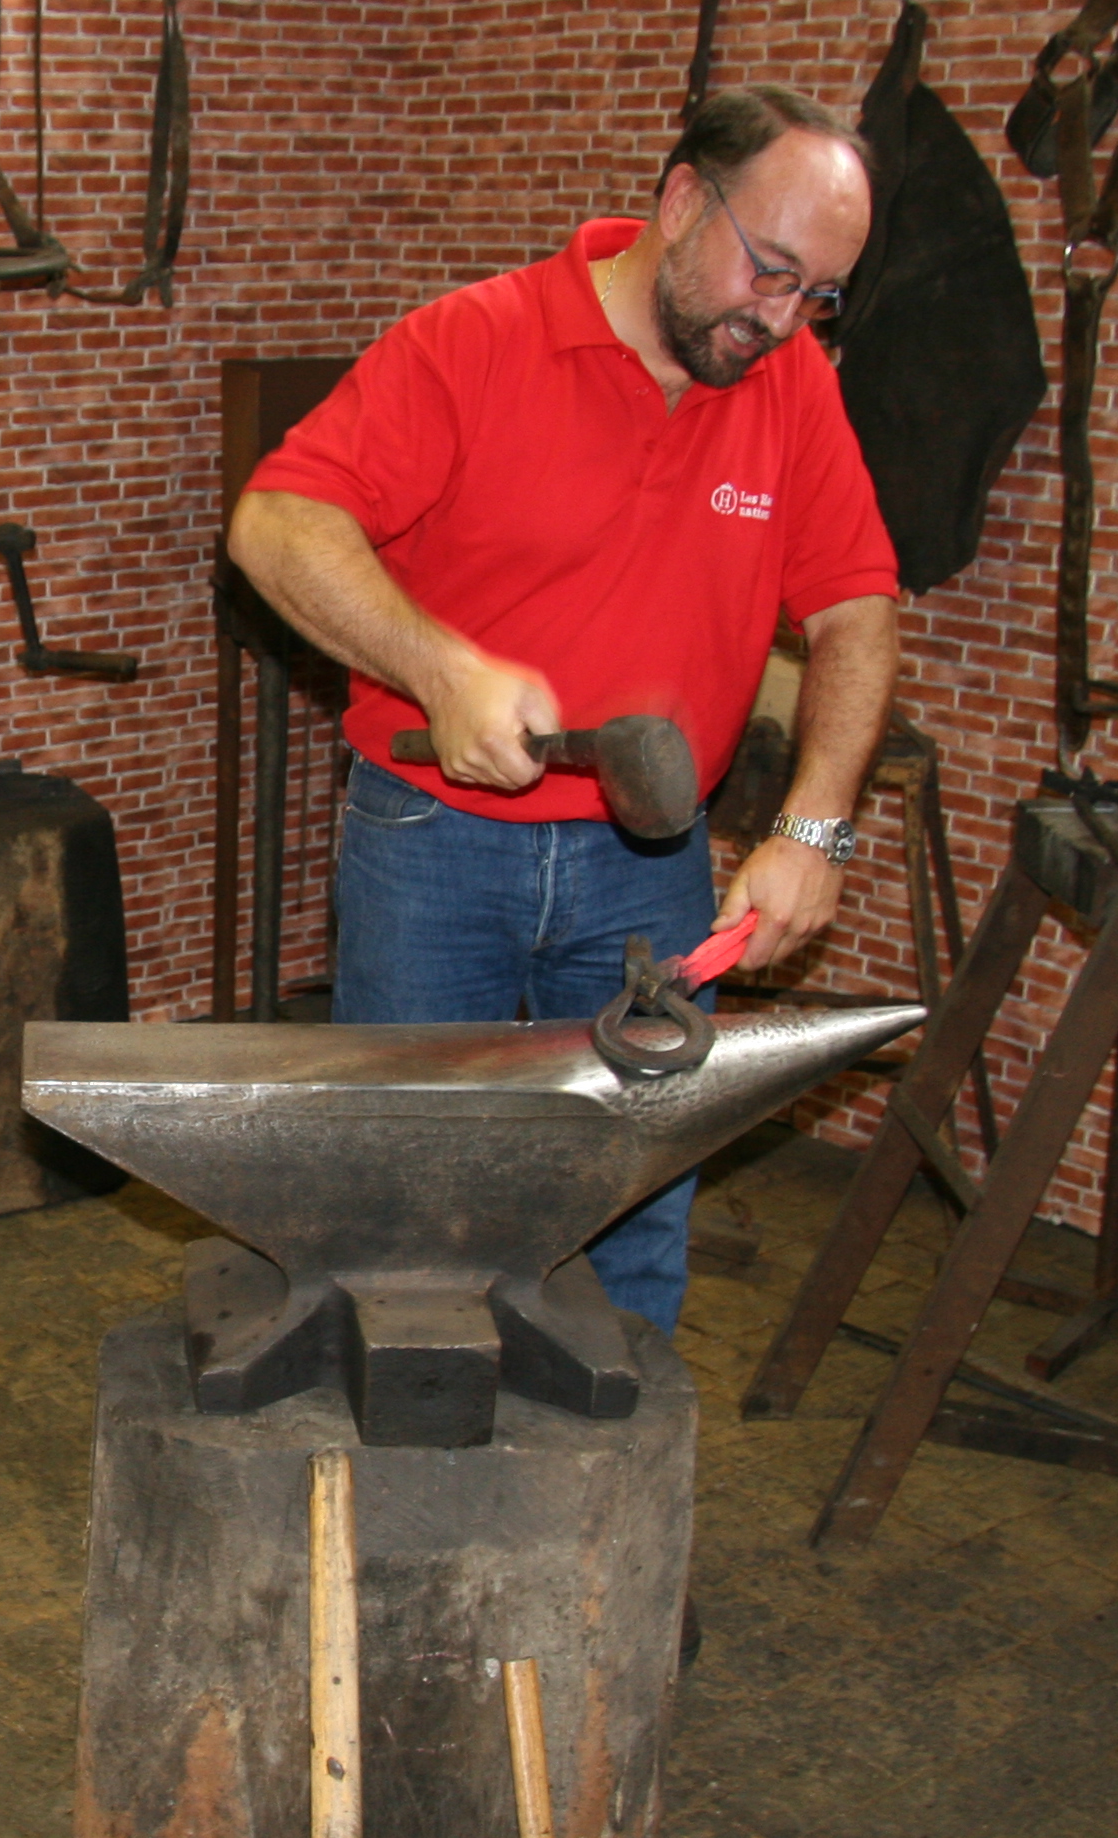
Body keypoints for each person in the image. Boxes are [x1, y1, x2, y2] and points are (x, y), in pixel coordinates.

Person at [228, 86, 902, 1332]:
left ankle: (605, 1517)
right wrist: (440, 667)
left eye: (818, 295)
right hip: (435, 847)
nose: (781, 319)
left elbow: (858, 605)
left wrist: (815, 825)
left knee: (630, 1215)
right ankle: (400, 1510)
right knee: (404, 1210)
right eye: (769, 271)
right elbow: (277, 523)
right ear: (684, 197)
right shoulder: (473, 343)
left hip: (652, 867)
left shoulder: (791, 382)